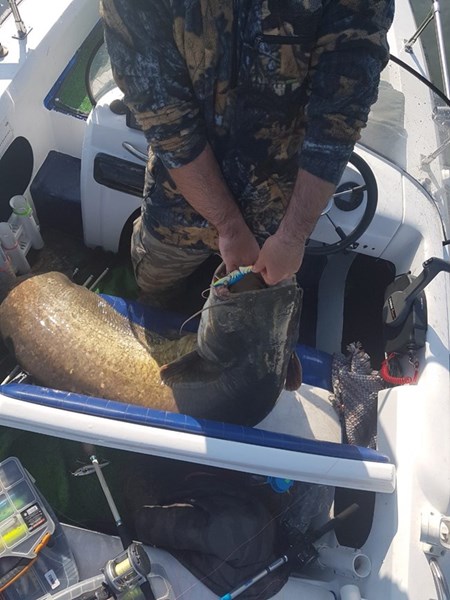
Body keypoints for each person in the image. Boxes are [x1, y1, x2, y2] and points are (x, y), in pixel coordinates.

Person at [100, 0, 394, 307]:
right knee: (154, 286)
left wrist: (292, 235)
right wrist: (229, 226)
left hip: (275, 226)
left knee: (249, 314)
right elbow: (166, 120)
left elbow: (340, 114)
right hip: (177, 211)